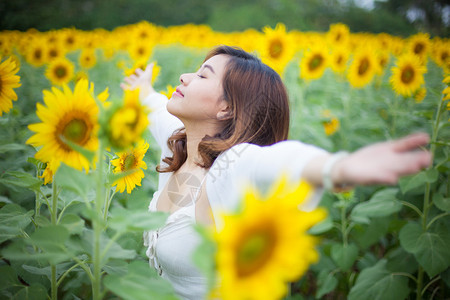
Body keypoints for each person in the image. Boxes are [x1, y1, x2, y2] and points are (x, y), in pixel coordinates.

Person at [121, 45, 432, 300]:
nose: (184, 77)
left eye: (203, 75)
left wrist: (336, 167)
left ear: (226, 108)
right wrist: (143, 89)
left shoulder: (228, 169)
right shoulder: (179, 147)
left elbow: (277, 161)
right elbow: (156, 109)